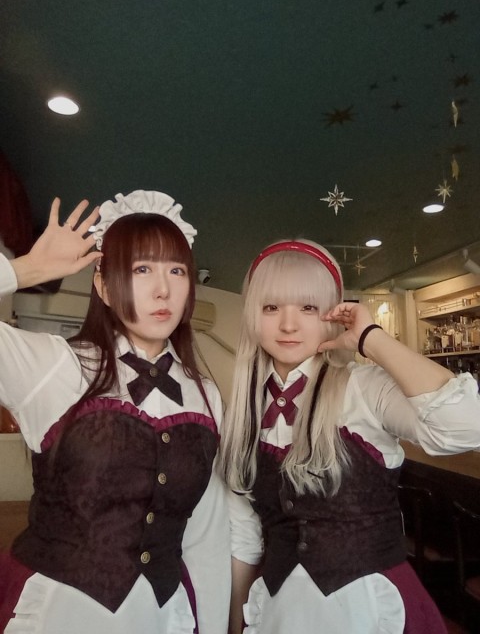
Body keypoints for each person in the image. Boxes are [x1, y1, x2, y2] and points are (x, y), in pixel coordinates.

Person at [0, 190, 230, 634]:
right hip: (60, 615)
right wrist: (24, 269)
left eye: (176, 270)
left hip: (165, 617)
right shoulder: (54, 367)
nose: (162, 288)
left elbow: (207, 535)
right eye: (141, 269)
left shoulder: (205, 395)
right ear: (103, 286)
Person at [221, 239, 480, 634]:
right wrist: (234, 626)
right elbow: (244, 536)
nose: (288, 325)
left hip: (371, 611)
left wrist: (372, 339)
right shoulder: (244, 412)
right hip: (278, 612)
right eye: (271, 307)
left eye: (308, 308)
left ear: (331, 314)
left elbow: (468, 426)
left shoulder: (366, 387)